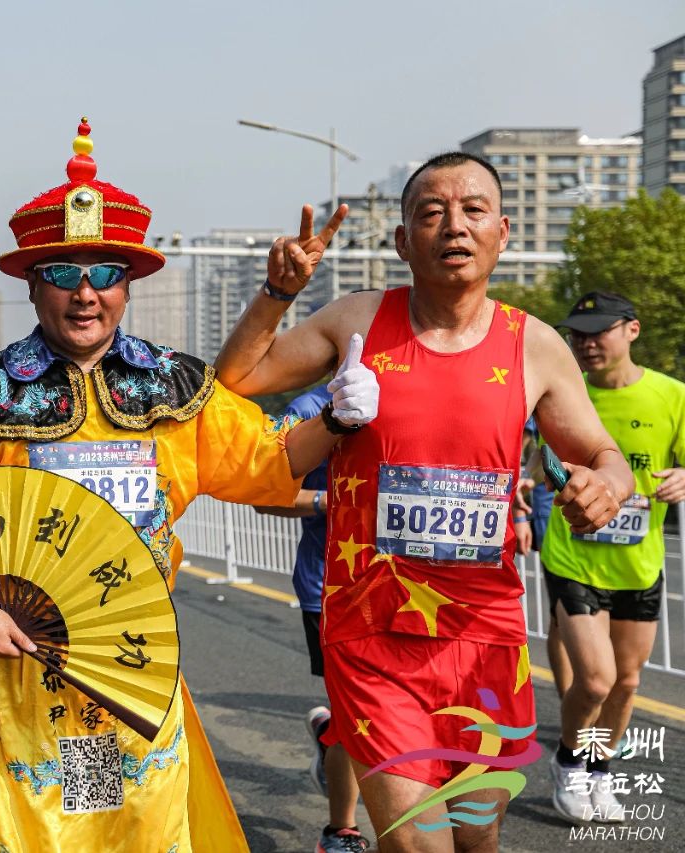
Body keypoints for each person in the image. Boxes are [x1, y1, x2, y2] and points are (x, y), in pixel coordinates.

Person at [0, 118, 377, 851]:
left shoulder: (173, 386)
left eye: (105, 273)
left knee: (132, 828)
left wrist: (335, 418)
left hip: (133, 666)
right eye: (63, 273)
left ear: (128, 284)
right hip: (25, 668)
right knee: (46, 833)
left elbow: (268, 462)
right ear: (32, 284)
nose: (85, 294)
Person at [214, 151, 631, 852]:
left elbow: (602, 454)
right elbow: (237, 378)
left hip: (486, 637)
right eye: (432, 213)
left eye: (473, 210)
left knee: (476, 836)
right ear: (403, 241)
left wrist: (609, 486)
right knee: (418, 841)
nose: (454, 226)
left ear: (502, 231)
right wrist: (276, 293)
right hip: (372, 632)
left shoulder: (534, 345)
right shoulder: (357, 320)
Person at [538, 292, 685, 824]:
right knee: (596, 680)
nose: (586, 342)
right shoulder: (565, 393)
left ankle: (598, 770)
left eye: (598, 331)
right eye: (577, 334)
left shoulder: (672, 395)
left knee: (626, 683)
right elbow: (538, 458)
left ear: (632, 330)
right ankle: (568, 761)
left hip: (638, 564)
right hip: (573, 557)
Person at [251, 386, 367, 853]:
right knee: (354, 716)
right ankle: (341, 830)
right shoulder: (311, 409)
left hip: (410, 591)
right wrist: (329, 501)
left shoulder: (425, 395)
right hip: (332, 590)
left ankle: (328, 737)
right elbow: (264, 495)